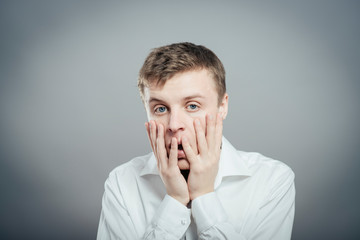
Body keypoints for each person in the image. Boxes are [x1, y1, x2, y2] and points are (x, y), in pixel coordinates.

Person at [97, 42, 295, 239]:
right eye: (160, 109)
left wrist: (203, 196)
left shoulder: (271, 180)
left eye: (192, 106)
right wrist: (175, 201)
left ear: (222, 107)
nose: (174, 125)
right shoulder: (122, 182)